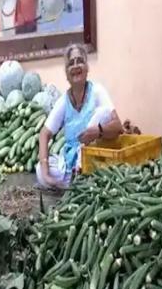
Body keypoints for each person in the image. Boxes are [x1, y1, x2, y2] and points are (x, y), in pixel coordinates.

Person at [36, 43, 124, 189]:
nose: (76, 66)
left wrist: (98, 131)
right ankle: (78, 179)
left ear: (87, 68)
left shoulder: (97, 91)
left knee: (102, 113)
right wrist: (46, 173)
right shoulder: (64, 101)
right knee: (40, 170)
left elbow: (118, 126)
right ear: (66, 73)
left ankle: (82, 175)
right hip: (71, 163)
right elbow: (44, 134)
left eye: (80, 61)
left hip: (94, 155)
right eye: (71, 63)